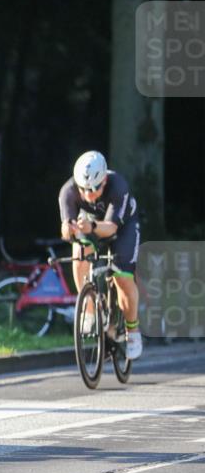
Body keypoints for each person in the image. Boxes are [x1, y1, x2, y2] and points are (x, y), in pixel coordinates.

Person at [59, 150, 142, 360]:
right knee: (79, 251)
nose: (89, 194)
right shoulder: (68, 191)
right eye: (83, 189)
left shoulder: (118, 187)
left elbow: (111, 228)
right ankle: (88, 307)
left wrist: (91, 225)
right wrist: (69, 229)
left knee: (123, 278)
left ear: (104, 180)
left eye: (95, 188)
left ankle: (132, 330)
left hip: (121, 227)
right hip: (90, 223)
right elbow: (65, 228)